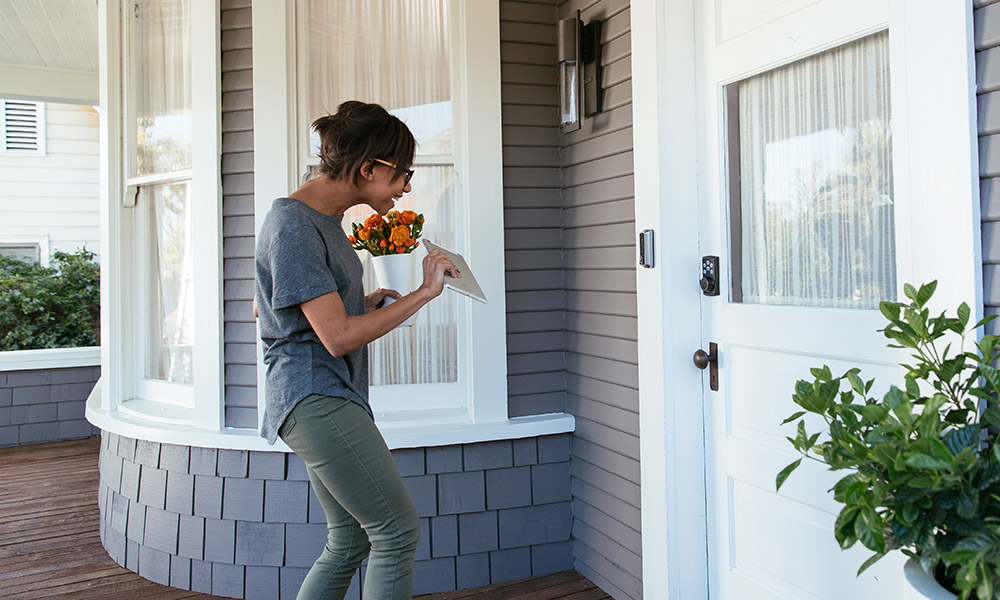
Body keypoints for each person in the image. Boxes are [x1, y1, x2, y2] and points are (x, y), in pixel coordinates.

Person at [254, 101, 458, 600]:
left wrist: (358, 301)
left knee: (348, 541)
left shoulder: (320, 221)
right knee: (395, 531)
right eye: (402, 174)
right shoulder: (295, 226)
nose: (406, 187)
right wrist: (422, 294)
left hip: (322, 393)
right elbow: (337, 337)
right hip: (314, 395)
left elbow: (280, 310)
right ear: (368, 168)